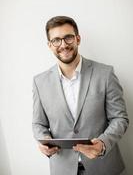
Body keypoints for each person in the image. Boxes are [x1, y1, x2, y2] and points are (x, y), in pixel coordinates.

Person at [32, 16, 129, 175]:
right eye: (56, 40)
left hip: (104, 167)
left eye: (68, 37)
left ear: (78, 39)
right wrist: (44, 140)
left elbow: (120, 118)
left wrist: (103, 143)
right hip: (62, 168)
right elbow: (38, 123)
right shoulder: (39, 82)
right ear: (50, 45)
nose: (63, 45)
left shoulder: (105, 74)